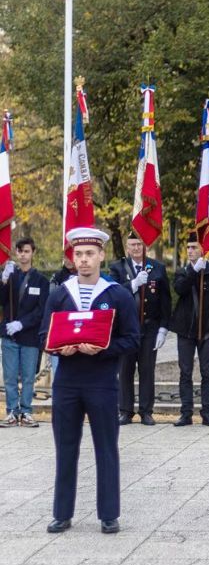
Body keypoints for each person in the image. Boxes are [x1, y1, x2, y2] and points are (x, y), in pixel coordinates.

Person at [39, 227, 140, 534]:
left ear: (101, 256)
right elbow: (44, 335)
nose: (83, 260)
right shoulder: (59, 293)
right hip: (67, 382)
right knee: (65, 448)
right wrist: (59, 347)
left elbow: (133, 339)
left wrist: (105, 348)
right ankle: (62, 513)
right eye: (78, 254)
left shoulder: (117, 294)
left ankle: (109, 514)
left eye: (89, 254)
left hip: (102, 382)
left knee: (106, 448)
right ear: (73, 257)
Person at [109, 232, 171, 425]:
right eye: (133, 245)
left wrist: (163, 329)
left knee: (147, 370)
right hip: (125, 329)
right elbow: (113, 293)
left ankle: (146, 411)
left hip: (149, 328)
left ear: (145, 246)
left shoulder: (157, 268)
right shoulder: (117, 267)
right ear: (127, 247)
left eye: (139, 244)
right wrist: (133, 284)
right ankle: (125, 411)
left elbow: (165, 301)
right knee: (125, 370)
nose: (136, 248)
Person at [170, 232, 209, 428]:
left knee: (207, 373)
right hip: (185, 331)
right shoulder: (182, 272)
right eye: (188, 248)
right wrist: (195, 272)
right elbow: (180, 289)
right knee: (185, 372)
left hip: (207, 332)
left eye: (194, 247)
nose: (190, 251)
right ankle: (186, 413)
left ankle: (207, 413)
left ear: (204, 249)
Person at [0, 237, 50, 428]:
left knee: (29, 377)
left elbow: (41, 310)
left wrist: (22, 323)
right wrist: (3, 280)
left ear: (33, 253)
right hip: (10, 335)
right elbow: (1, 300)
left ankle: (26, 411)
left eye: (26, 251)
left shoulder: (41, 280)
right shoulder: (10, 276)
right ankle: (12, 411)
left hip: (29, 335)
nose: (23, 255)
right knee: (10, 376)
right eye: (20, 251)